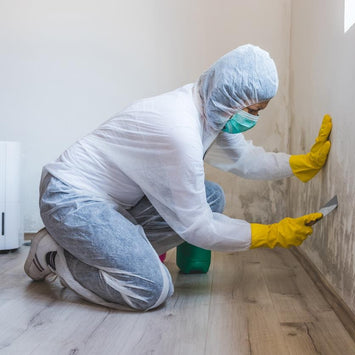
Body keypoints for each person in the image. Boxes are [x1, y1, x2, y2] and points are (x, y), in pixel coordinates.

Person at [24, 44, 332, 311]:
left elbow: (244, 159)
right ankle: (54, 254)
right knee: (150, 289)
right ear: (232, 96)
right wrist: (271, 234)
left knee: (212, 198)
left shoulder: (211, 108)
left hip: (111, 204)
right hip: (70, 198)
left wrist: (300, 164)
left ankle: (105, 250)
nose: (253, 118)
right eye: (253, 109)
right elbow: (198, 228)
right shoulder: (179, 129)